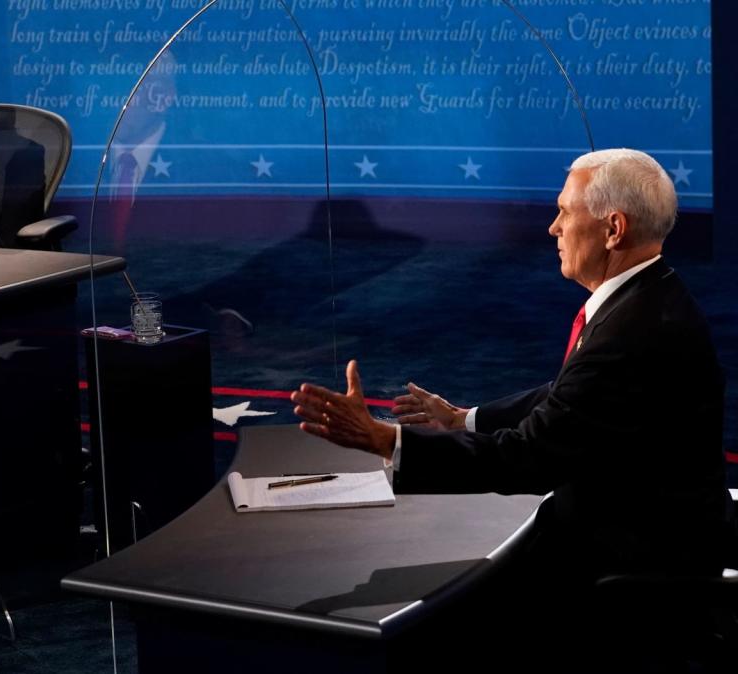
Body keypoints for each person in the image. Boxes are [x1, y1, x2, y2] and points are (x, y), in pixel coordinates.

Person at [291, 149, 736, 665]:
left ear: (613, 229)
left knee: (435, 624)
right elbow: (567, 395)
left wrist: (385, 440)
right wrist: (464, 419)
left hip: (626, 561)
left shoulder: (634, 332)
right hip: (639, 528)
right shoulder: (649, 295)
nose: (553, 228)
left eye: (565, 212)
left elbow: (529, 456)